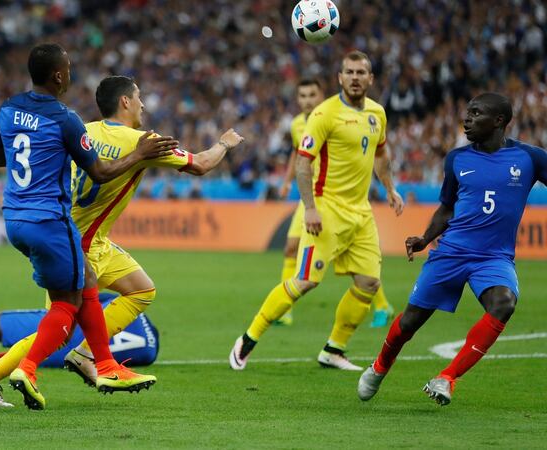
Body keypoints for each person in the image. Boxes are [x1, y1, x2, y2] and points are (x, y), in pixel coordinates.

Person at [0, 75, 244, 393]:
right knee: (57, 327)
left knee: (142, 290)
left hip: (83, 237)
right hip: (75, 244)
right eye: (139, 96)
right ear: (125, 101)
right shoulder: (142, 141)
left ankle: (86, 355)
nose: (143, 103)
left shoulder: (82, 130)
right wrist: (225, 143)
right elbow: (200, 164)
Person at [0, 44, 177, 410]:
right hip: (50, 220)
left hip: (14, 218)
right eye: (69, 68)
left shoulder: (8, 107)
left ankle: (97, 364)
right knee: (66, 309)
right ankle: (26, 370)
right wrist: (139, 154)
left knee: (86, 283)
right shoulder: (65, 119)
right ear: (59, 76)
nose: (71, 75)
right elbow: (100, 171)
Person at [358, 93, 547, 406]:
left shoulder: (529, 158)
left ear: (499, 121)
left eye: (476, 113)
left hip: (494, 258)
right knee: (409, 323)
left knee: (504, 303)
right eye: (467, 112)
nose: (467, 119)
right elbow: (446, 208)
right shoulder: (457, 159)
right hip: (451, 253)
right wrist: (424, 237)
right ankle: (379, 367)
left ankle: (447, 377)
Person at [230, 51, 404, 371]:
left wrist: (390, 188)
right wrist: (309, 208)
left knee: (368, 283)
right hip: (327, 210)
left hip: (361, 213)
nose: (354, 77)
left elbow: (381, 154)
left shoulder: (377, 113)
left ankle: (333, 349)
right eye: (348, 72)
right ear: (339, 78)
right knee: (305, 282)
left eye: (360, 72)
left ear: (370, 79)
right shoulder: (324, 114)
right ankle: (248, 339)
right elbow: (302, 163)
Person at [276, 79, 395, 328]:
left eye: (312, 94)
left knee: (356, 266)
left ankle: (382, 304)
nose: (307, 100)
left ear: (321, 95)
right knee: (290, 247)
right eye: (302, 95)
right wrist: (287, 182)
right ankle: (284, 312)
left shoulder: (331, 117)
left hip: (335, 200)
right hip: (311, 196)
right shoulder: (298, 124)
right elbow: (297, 155)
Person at [0, 293, 159, 369]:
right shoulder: (147, 351)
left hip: (64, 327)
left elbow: (85, 299)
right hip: (76, 359)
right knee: (35, 356)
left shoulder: (119, 302)